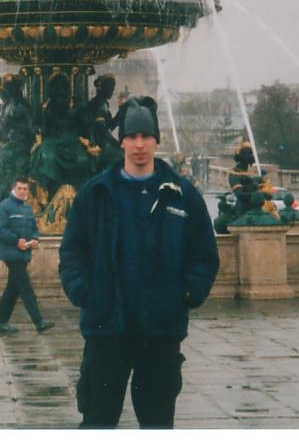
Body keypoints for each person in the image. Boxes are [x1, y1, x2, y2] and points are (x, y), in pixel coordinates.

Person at [59, 96, 219, 429]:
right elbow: (73, 250)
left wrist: (189, 292)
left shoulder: (183, 194)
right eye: (132, 136)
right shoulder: (95, 192)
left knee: (157, 422)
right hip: (106, 328)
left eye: (146, 136)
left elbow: (203, 252)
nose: (140, 144)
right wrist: (83, 291)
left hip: (160, 330)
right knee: (98, 420)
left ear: (157, 140)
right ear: (122, 141)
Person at [0, 177, 53, 335]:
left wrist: (35, 239)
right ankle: (39, 322)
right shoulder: (3, 207)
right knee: (26, 288)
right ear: (14, 188)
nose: (23, 191)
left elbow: (33, 228)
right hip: (12, 254)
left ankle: (0, 323)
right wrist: (15, 241)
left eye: (26, 189)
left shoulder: (27, 208)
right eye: (20, 188)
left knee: (12, 289)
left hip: (24, 252)